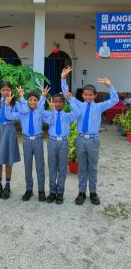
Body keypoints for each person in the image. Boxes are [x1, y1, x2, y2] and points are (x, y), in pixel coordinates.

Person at [61, 67, 119, 206]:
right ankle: (81, 192)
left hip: (93, 140)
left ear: (95, 95)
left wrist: (110, 86)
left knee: (92, 167)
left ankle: (93, 193)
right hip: (81, 139)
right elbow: (66, 94)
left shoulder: (99, 107)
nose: (87, 97)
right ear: (82, 95)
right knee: (82, 168)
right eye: (85, 94)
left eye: (90, 95)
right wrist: (63, 79)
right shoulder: (78, 104)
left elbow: (115, 100)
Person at [7, 86, 50, 202]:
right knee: (28, 166)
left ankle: (41, 191)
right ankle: (29, 189)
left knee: (40, 166)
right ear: (27, 101)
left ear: (38, 101)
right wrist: (7, 105)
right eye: (30, 100)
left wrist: (44, 97)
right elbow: (9, 116)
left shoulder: (40, 112)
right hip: (26, 141)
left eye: (35, 100)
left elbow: (51, 117)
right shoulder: (22, 112)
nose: (32, 102)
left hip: (37, 141)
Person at [43, 94, 79, 205]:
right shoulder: (49, 114)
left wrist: (70, 100)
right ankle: (52, 192)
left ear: (63, 103)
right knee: (52, 167)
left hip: (63, 142)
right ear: (52, 103)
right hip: (52, 142)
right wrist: (45, 100)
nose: (57, 104)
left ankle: (60, 193)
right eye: (55, 102)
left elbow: (78, 112)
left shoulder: (67, 116)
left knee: (62, 168)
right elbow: (43, 115)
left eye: (60, 102)